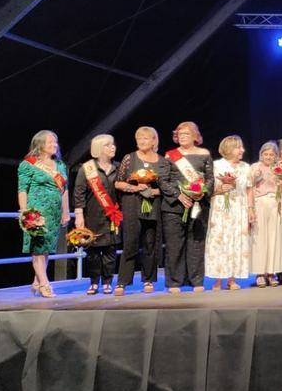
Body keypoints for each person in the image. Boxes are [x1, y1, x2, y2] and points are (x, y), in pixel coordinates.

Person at [114, 126, 169, 295]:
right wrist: (135, 188)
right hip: (132, 204)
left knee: (150, 243)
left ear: (153, 141)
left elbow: (167, 188)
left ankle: (148, 280)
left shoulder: (162, 161)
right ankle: (122, 282)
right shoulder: (129, 158)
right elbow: (118, 183)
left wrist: (153, 191)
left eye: (146, 138)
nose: (142, 141)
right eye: (139, 138)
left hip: (153, 205)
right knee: (130, 243)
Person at [161, 121, 214, 292]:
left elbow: (210, 178)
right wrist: (179, 195)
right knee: (174, 244)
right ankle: (174, 282)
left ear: (195, 136)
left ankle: (196, 280)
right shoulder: (170, 155)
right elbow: (163, 180)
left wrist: (202, 192)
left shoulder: (204, 154)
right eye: (180, 134)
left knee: (196, 243)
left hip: (198, 205)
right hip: (174, 206)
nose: (182, 136)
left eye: (186, 134)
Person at [17, 130, 69, 298]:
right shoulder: (28, 164)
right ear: (39, 144)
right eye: (49, 142)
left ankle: (37, 281)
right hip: (36, 213)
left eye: (55, 142)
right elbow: (22, 189)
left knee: (46, 249)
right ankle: (45, 284)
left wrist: (66, 211)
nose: (54, 145)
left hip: (54, 213)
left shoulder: (60, 165)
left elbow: (64, 190)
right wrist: (24, 212)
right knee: (38, 249)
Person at [73, 134, 121, 295]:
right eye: (108, 145)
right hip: (92, 215)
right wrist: (79, 214)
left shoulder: (118, 167)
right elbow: (79, 193)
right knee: (93, 251)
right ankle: (94, 282)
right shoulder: (86, 168)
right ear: (99, 148)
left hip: (113, 216)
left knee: (110, 250)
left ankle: (107, 282)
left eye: (113, 144)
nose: (113, 147)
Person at [206, 135, 253, 290]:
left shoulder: (245, 167)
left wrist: (251, 209)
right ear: (229, 149)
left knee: (236, 241)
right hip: (221, 208)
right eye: (239, 147)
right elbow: (208, 189)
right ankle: (218, 280)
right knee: (220, 241)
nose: (242, 150)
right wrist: (220, 189)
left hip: (239, 207)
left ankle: (232, 279)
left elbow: (249, 189)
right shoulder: (216, 165)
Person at [250, 141, 282, 287]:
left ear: (276, 156)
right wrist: (255, 177)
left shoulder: (279, 168)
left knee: (275, 238)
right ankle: (260, 273)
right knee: (260, 239)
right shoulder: (255, 167)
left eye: (271, 154)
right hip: (260, 203)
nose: (268, 157)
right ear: (261, 155)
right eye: (265, 154)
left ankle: (272, 273)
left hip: (275, 203)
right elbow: (249, 186)